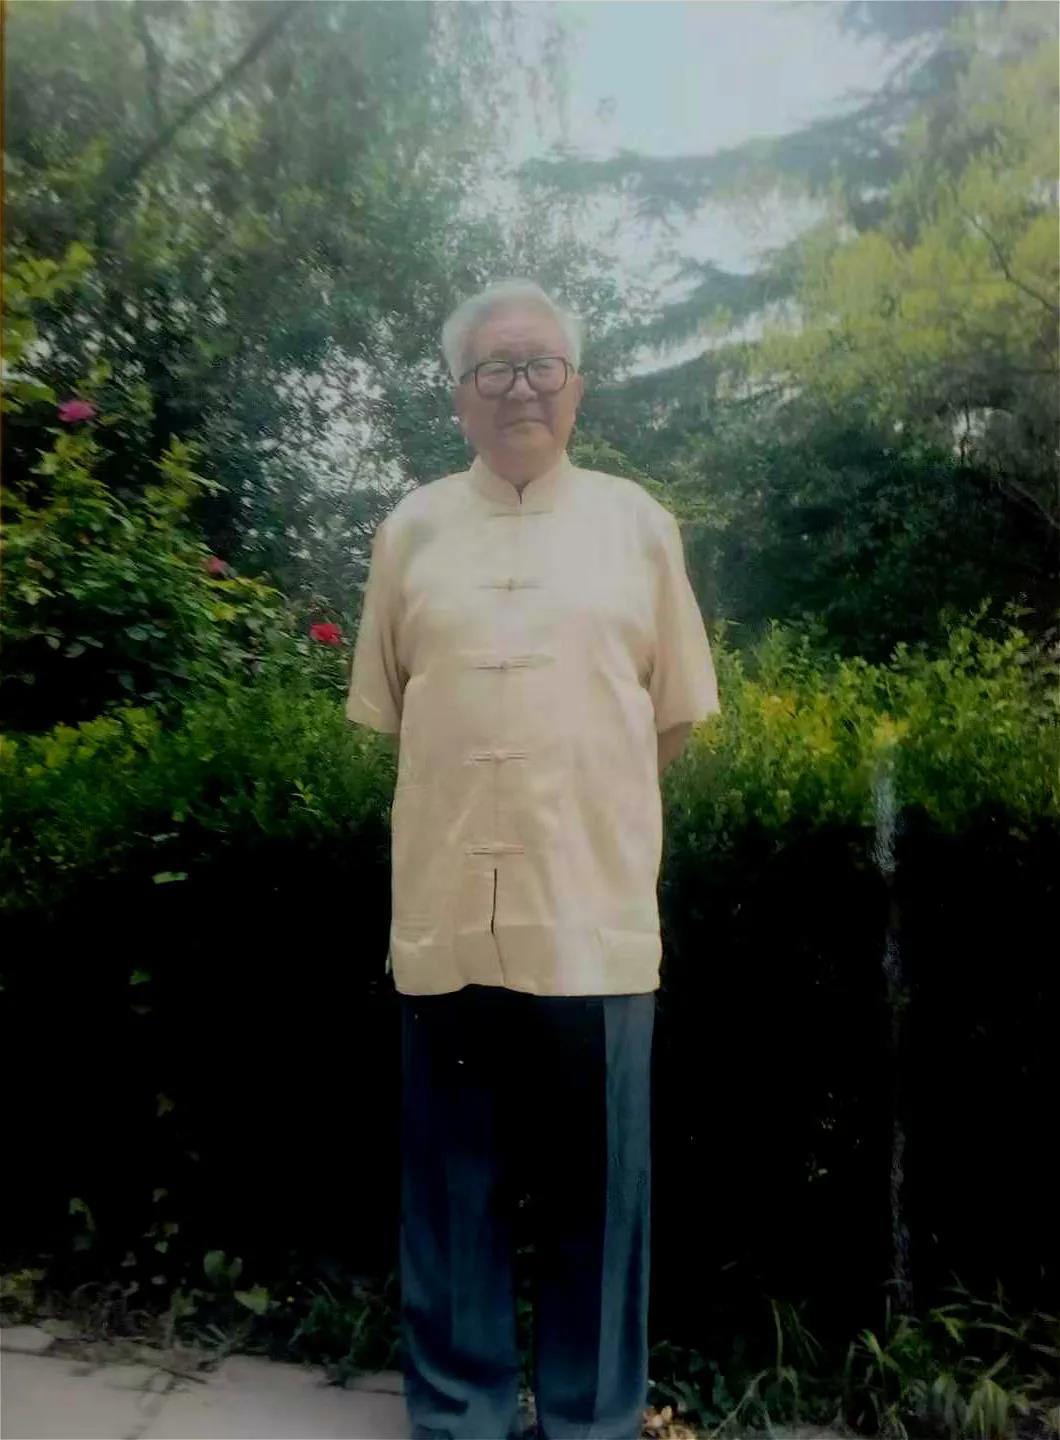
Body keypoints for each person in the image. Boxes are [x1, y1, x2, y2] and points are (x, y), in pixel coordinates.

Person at [346, 278, 720, 1440]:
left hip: (590, 912)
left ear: (576, 388)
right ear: (459, 395)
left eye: (541, 365)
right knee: (450, 1188)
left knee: (597, 1199)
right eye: (494, 368)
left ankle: (589, 1421)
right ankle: (460, 1414)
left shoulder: (638, 526)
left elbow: (673, 715)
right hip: (446, 907)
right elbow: (393, 709)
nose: (520, 387)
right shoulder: (408, 531)